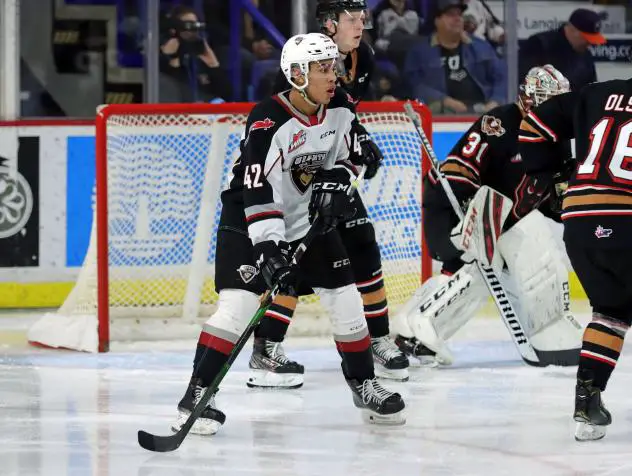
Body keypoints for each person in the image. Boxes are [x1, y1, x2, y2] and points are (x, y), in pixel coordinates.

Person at [172, 33, 406, 436]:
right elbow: (258, 189)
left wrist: (341, 180)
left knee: (346, 296)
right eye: (321, 68)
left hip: (305, 220)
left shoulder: (342, 108)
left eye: (333, 66)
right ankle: (196, 395)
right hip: (249, 222)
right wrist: (269, 247)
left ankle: (363, 383)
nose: (332, 75)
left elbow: (348, 159)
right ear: (298, 74)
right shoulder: (267, 120)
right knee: (238, 307)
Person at [251, 0, 410, 389]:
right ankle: (266, 347)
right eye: (352, 19)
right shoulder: (301, 59)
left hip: (333, 166)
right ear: (328, 24)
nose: (360, 26)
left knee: (364, 246)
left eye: (362, 18)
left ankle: (377, 338)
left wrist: (359, 139)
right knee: (294, 258)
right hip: (297, 178)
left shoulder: (364, 57)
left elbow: (343, 115)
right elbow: (293, 121)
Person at [393, 65, 583, 367]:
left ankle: (413, 330)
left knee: (476, 276)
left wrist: (562, 201)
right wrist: (468, 211)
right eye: (550, 101)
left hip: (497, 221)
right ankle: (420, 326)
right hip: (452, 206)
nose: (556, 109)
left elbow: (545, 199)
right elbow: (459, 169)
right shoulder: (500, 123)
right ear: (529, 98)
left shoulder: (557, 141)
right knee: (477, 267)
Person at [518, 77, 632, 441]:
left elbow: (534, 123)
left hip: (580, 221)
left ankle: (587, 401)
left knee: (611, 312)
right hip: (626, 217)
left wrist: (551, 177)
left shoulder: (596, 93)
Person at [403, 0, 507, 114]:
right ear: (437, 21)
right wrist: (444, 100)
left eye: (459, 15)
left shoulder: (480, 47)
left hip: (481, 110)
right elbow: (414, 85)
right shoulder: (420, 51)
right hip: (441, 114)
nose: (457, 19)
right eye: (451, 15)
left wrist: (495, 101)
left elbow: (501, 77)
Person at [519, 8, 605, 92]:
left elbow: (591, 90)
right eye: (587, 39)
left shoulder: (585, 55)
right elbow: (523, 84)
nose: (589, 44)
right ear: (572, 30)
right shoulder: (539, 44)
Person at [159, 5, 231, 102]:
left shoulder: (200, 54)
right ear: (174, 30)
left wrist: (214, 65)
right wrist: (172, 60)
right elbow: (170, 92)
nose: (193, 31)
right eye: (188, 26)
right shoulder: (163, 57)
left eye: (196, 26)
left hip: (205, 111)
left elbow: (226, 94)